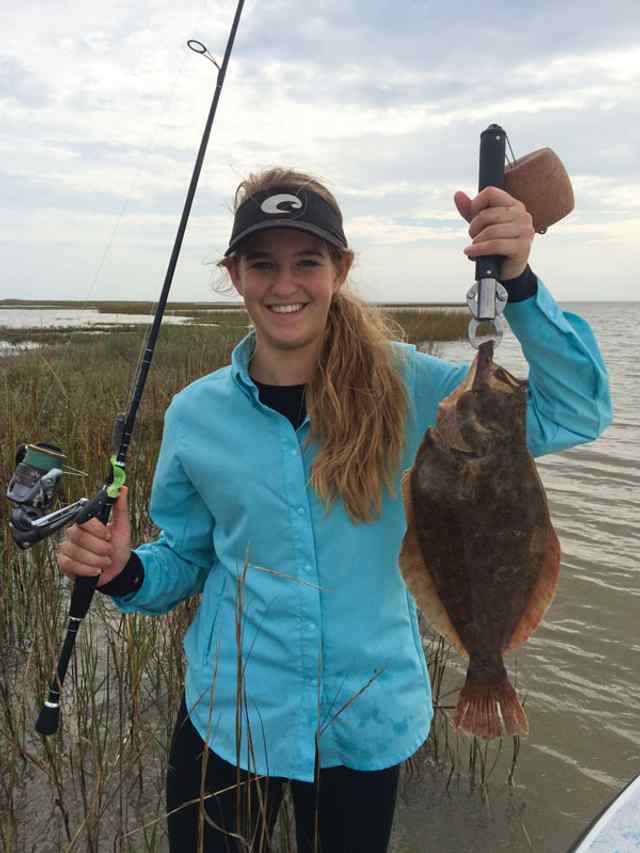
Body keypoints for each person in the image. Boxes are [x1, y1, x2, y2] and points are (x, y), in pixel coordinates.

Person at [57, 167, 612, 852]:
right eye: (262, 265)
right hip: (230, 719)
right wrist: (123, 571)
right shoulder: (195, 414)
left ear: (340, 268)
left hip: (365, 726)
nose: (284, 286)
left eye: (307, 263)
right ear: (234, 275)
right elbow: (188, 556)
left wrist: (521, 284)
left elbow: (578, 411)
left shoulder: (419, 389)